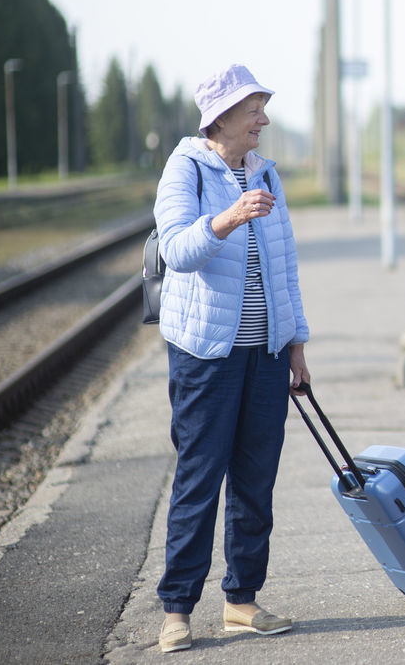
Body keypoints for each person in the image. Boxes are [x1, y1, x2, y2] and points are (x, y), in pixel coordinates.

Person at [152, 64, 311, 653]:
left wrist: (296, 343)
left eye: (263, 110)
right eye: (255, 112)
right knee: (200, 480)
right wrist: (228, 217)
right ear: (221, 118)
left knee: (255, 482)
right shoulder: (186, 168)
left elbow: (285, 264)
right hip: (206, 355)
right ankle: (177, 611)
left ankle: (242, 602)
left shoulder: (265, 171)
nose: (264, 121)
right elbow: (177, 249)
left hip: (266, 353)